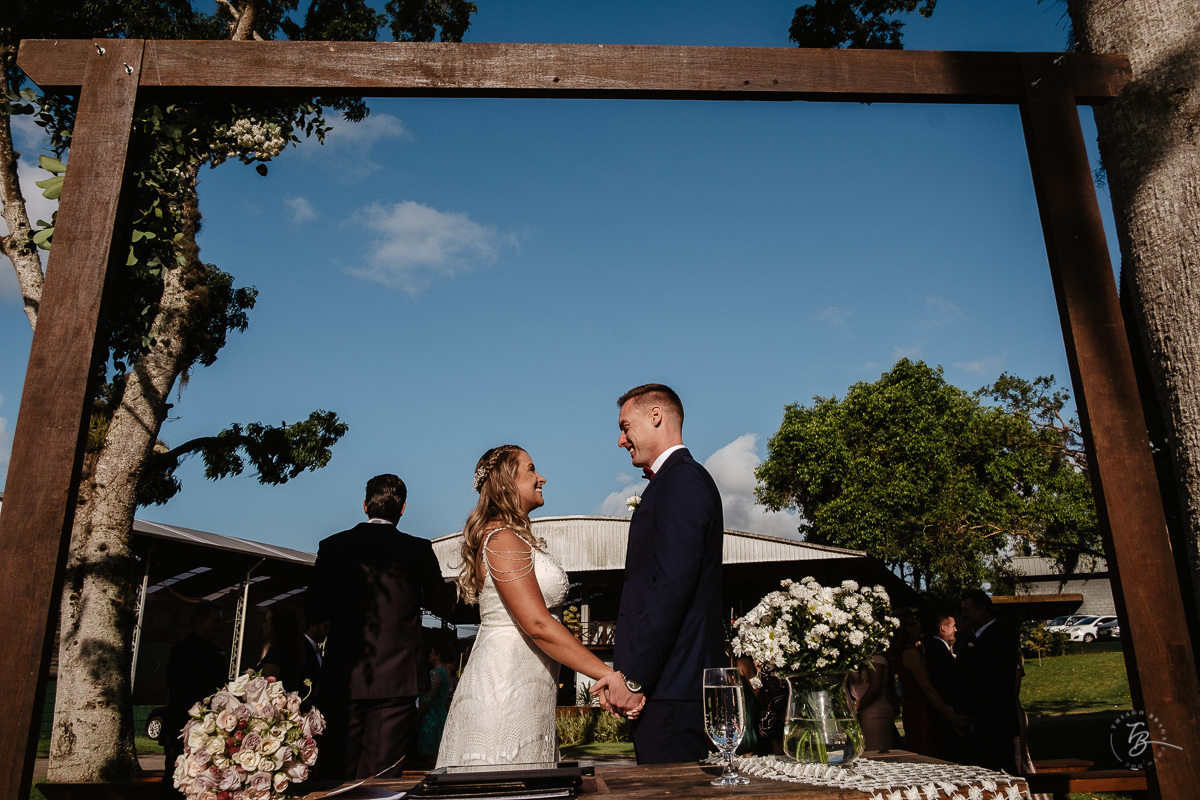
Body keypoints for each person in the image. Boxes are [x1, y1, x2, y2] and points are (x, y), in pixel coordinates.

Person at [437, 446, 624, 767]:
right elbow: (537, 623)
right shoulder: (501, 539)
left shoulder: (507, 537)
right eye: (532, 470)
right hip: (504, 691)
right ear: (507, 483)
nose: (542, 478)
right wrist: (608, 674)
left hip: (526, 691)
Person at [599, 384, 726, 764]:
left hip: (674, 686)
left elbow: (672, 585)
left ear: (656, 416)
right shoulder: (670, 482)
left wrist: (634, 679)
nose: (621, 441)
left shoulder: (682, 481)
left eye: (625, 426)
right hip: (667, 685)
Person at [307, 474, 455, 780]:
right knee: (380, 779)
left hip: (342, 678)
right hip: (396, 678)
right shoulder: (417, 550)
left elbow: (314, 609)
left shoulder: (333, 546)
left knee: (336, 774)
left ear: (364, 505)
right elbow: (443, 605)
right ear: (402, 509)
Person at [161, 601, 227, 798]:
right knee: (176, 781)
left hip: (199, 729)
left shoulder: (211, 652)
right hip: (184, 728)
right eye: (216, 621)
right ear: (200, 622)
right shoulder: (187, 651)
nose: (220, 626)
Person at [958, 589, 1021, 773]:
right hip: (978, 723)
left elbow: (993, 683)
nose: (963, 616)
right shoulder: (972, 638)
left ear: (982, 610)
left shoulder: (998, 637)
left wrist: (976, 715)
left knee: (1001, 774)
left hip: (994, 723)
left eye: (967, 610)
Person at [894, 612, 970, 758]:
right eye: (916, 625)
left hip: (916, 708)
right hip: (922, 710)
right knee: (927, 751)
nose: (920, 628)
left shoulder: (907, 652)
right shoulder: (911, 654)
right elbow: (927, 688)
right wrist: (952, 717)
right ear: (909, 628)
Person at [923, 608, 968, 762]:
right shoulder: (937, 650)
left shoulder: (935, 647)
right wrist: (952, 714)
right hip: (944, 712)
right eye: (953, 626)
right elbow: (944, 684)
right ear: (943, 628)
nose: (956, 629)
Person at [256, 604, 313, 695]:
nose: (263, 625)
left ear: (276, 626)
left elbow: (263, 687)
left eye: (266, 622)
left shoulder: (277, 653)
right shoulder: (295, 649)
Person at [416, 639, 454, 766]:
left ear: (437, 656)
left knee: (430, 754)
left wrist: (418, 714)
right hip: (440, 713)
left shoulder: (435, 673)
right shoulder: (446, 672)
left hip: (432, 717)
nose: (429, 655)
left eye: (432, 653)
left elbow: (428, 697)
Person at [848, 651, 895, 752]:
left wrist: (855, 708)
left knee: (874, 752)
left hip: (875, 713)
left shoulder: (876, 658)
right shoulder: (858, 658)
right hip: (861, 711)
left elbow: (874, 690)